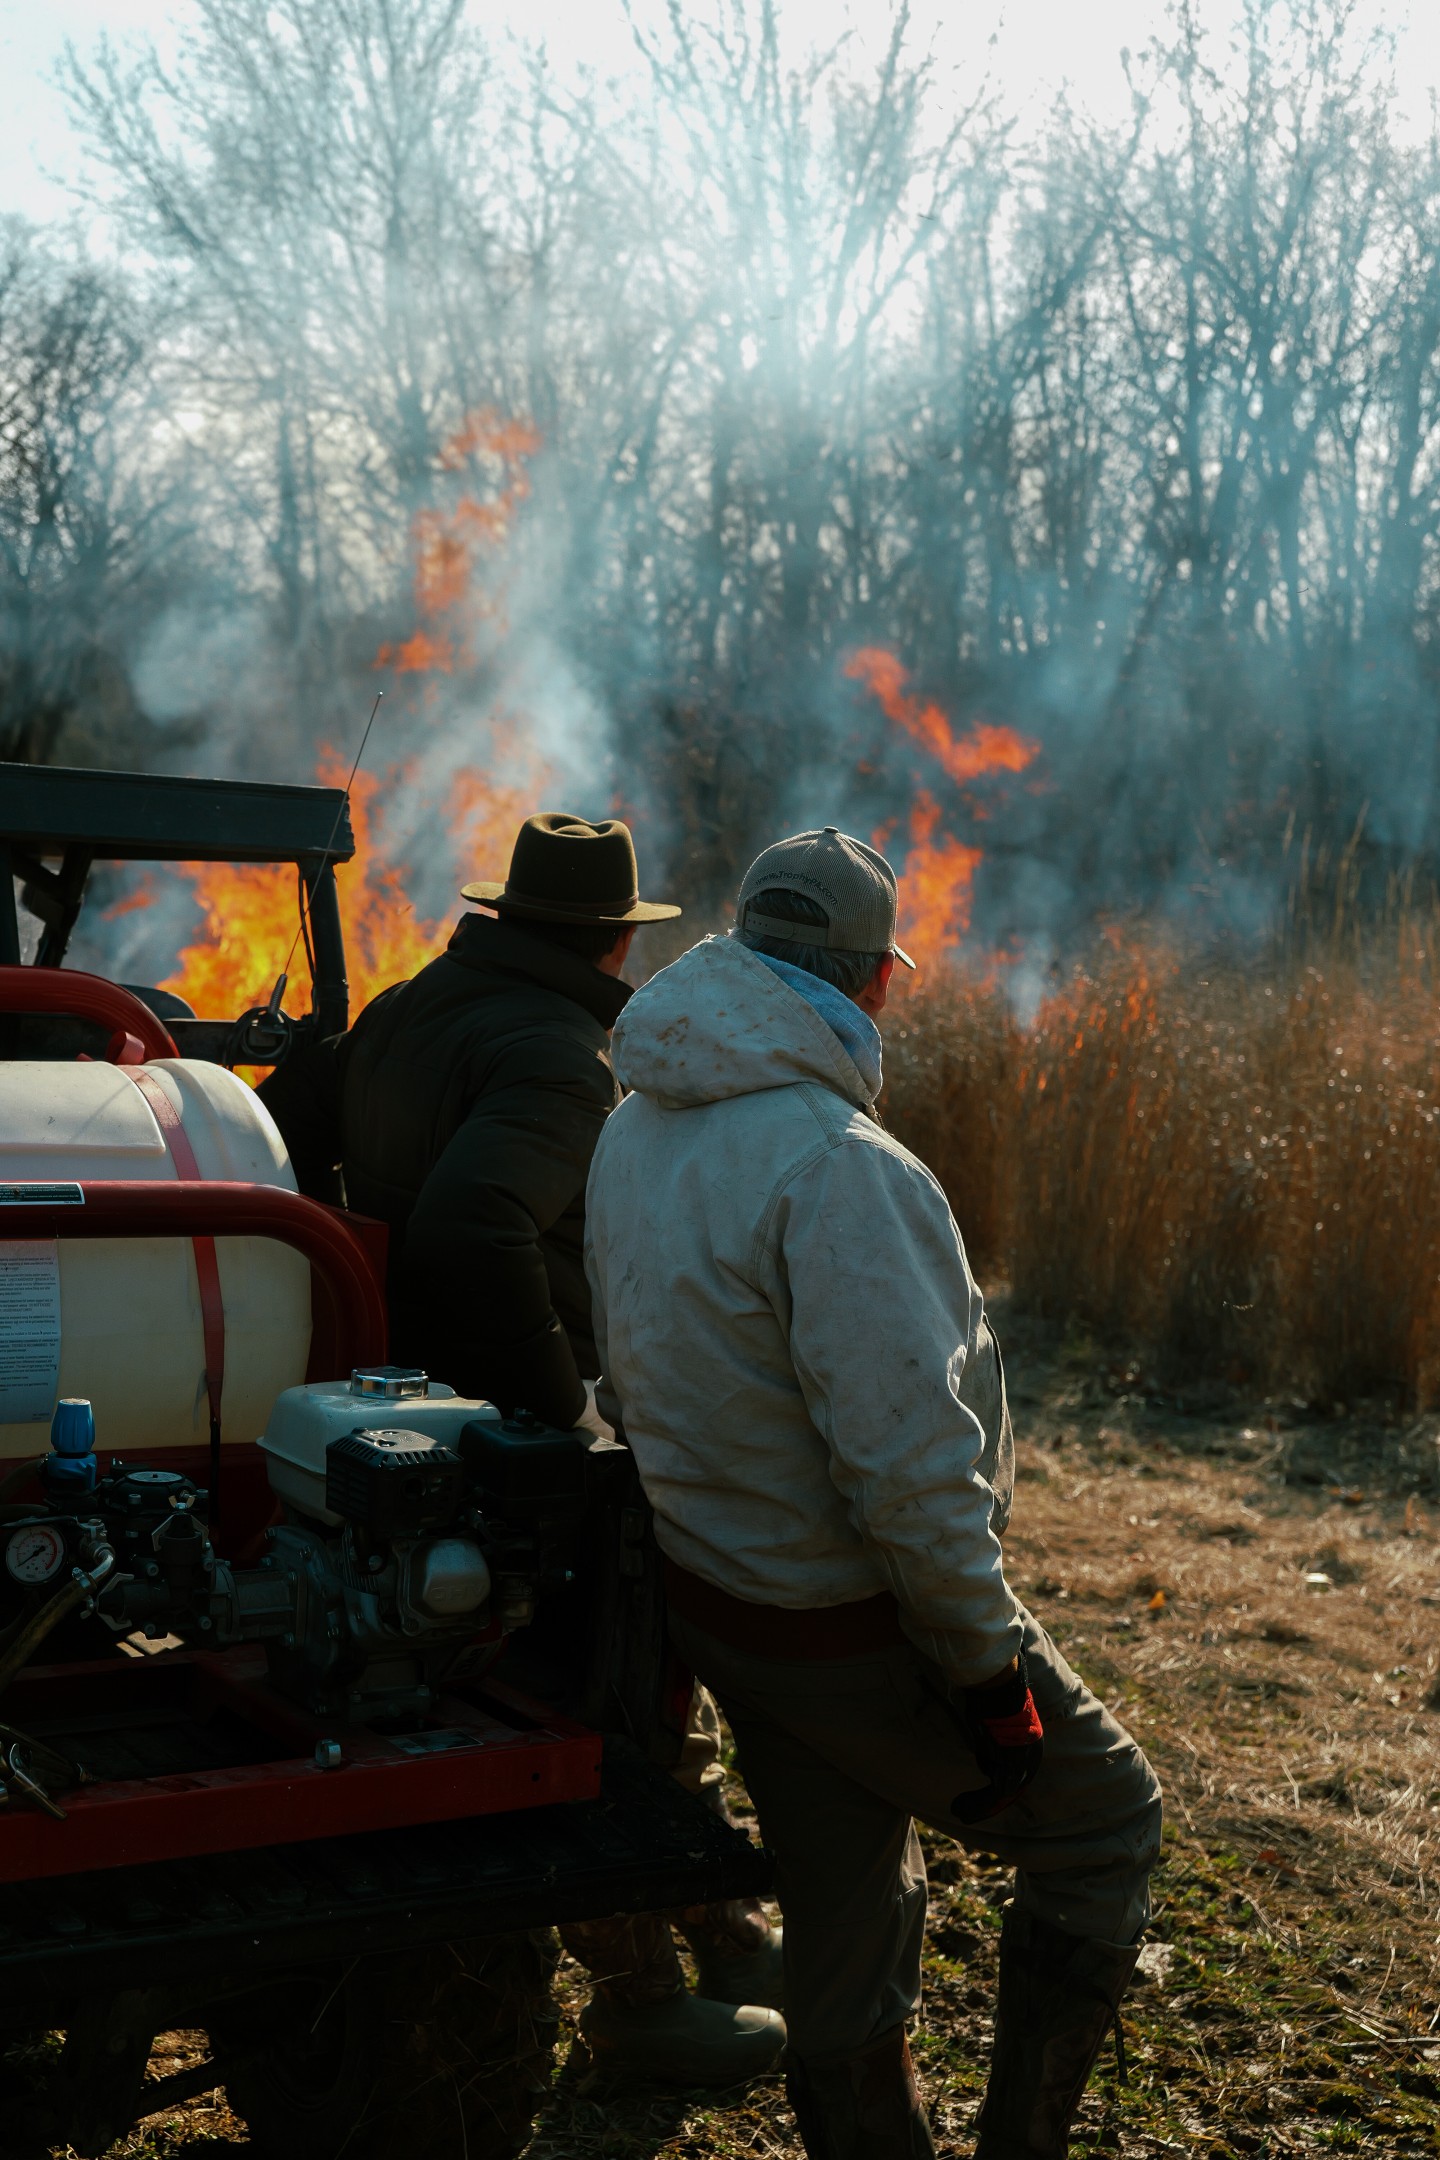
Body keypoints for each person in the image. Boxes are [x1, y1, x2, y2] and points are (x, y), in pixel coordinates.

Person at [585, 826, 1164, 2158]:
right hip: (852, 1625)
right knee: (1105, 1826)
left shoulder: (634, 1124)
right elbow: (910, 1484)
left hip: (725, 1603)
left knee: (847, 1918)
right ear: (876, 982)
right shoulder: (842, 1168)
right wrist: (984, 1677)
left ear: (741, 951)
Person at [260, 811, 785, 2085]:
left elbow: (282, 1136)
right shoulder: (561, 1055)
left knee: (586, 1678)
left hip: (394, 1406)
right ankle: (642, 2001)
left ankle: (721, 1932)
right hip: (509, 1429)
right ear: (613, 942)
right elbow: (476, 1220)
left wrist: (362, 1312)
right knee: (598, 1687)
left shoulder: (405, 1006)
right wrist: (559, 1418)